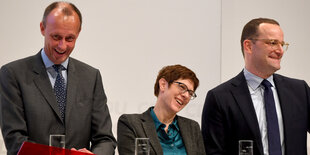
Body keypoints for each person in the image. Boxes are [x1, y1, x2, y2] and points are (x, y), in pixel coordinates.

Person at [0, 2, 116, 155]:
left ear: (79, 32)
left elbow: (105, 139)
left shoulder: (91, 77)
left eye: (70, 38)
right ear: (42, 28)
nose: (62, 46)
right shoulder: (13, 74)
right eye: (56, 37)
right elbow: (15, 141)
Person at [201, 17, 310, 155]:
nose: (280, 50)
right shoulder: (220, 97)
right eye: (273, 43)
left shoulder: (300, 90)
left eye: (282, 44)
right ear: (248, 46)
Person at [117, 64, 206, 155]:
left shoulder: (192, 127)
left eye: (190, 93)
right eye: (182, 87)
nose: (186, 95)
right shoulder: (131, 124)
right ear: (163, 84)